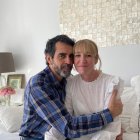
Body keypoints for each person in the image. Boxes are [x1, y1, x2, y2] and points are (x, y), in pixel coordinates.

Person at [19, 35, 123, 140]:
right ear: (49, 58)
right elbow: (68, 127)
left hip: (63, 134)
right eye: (62, 56)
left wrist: (116, 129)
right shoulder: (38, 85)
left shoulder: (68, 80)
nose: (69, 61)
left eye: (71, 56)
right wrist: (109, 114)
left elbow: (71, 116)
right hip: (37, 137)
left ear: (96, 59)